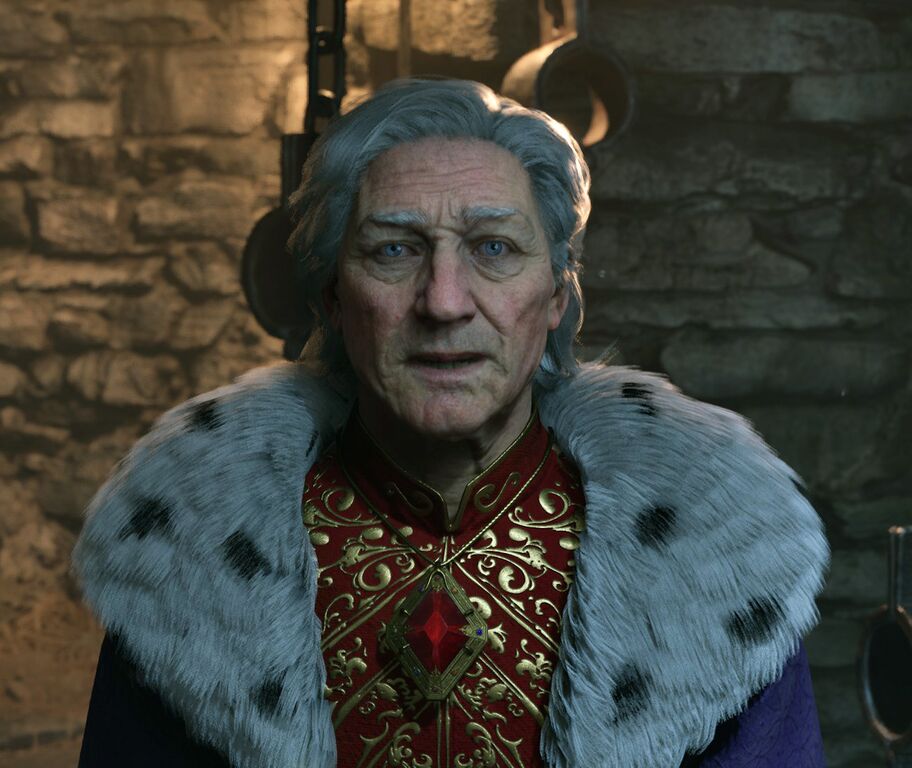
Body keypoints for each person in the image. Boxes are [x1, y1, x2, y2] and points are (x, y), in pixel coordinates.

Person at [73, 78, 829, 767]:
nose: (442, 302)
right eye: (394, 250)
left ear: (556, 296)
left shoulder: (714, 558)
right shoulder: (187, 557)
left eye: (493, 249)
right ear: (333, 298)